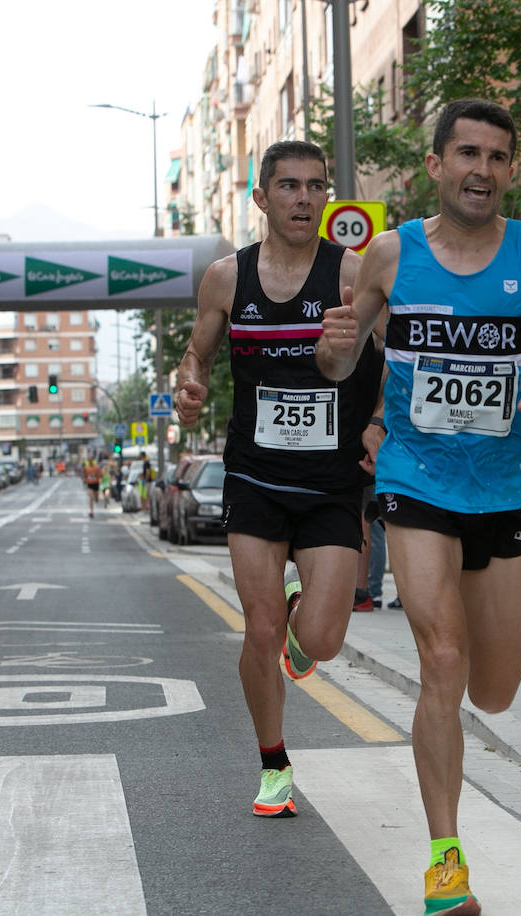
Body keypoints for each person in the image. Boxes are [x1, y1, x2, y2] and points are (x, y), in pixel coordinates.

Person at [316, 98, 521, 916]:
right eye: (468, 153)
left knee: (495, 690)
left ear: (511, 169)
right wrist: (332, 351)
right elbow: (338, 362)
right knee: (442, 661)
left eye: (498, 156)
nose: (483, 170)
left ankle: (464, 743)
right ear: (436, 164)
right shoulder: (389, 254)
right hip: (416, 478)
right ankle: (446, 862)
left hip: (507, 487)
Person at [174, 139, 383, 822]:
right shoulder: (226, 279)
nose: (304, 198)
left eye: (315, 186)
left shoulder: (353, 272)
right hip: (255, 475)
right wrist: (189, 383)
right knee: (259, 630)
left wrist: (379, 421)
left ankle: (303, 621)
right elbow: (197, 352)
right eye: (289, 186)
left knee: (321, 641)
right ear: (261, 199)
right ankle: (273, 764)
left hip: (331, 480)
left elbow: (395, 358)